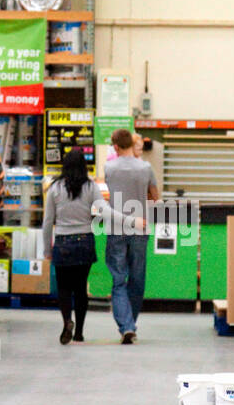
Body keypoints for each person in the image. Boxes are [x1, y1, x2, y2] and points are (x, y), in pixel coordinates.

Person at [42, 149, 142, 345]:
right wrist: (130, 220)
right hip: (84, 241)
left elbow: (47, 222)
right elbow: (105, 212)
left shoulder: (54, 188)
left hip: (62, 241)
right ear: (83, 166)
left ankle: (66, 322)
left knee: (63, 288)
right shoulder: (90, 187)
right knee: (80, 288)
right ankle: (79, 332)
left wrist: (47, 250)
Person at [103, 128, 159, 344]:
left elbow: (108, 192)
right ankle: (130, 324)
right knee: (137, 279)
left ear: (115, 146)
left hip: (116, 228)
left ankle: (126, 326)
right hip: (140, 228)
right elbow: (154, 196)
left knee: (118, 280)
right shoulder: (145, 167)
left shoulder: (109, 167)